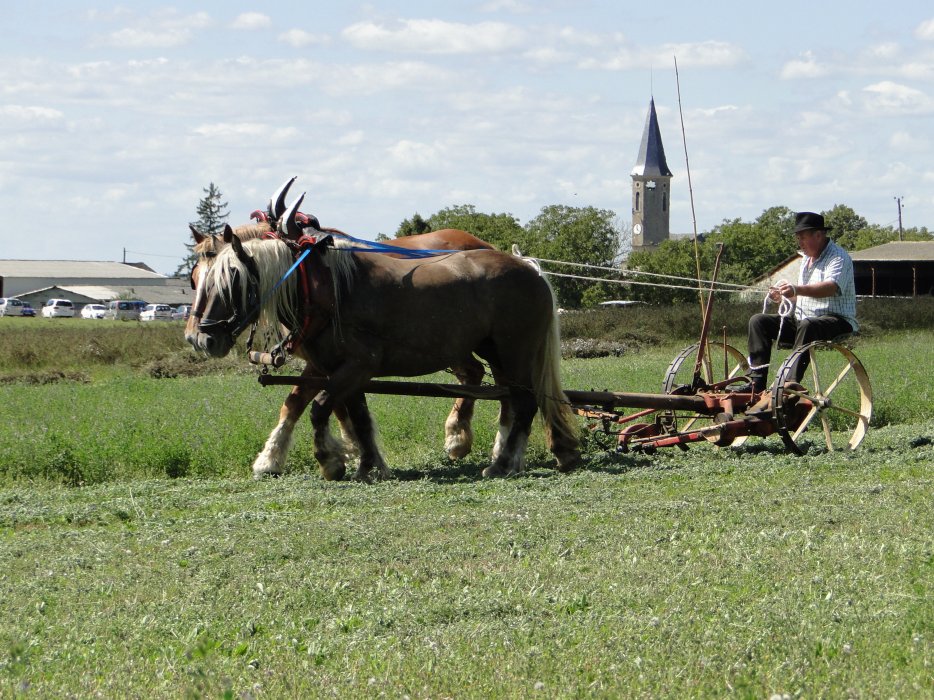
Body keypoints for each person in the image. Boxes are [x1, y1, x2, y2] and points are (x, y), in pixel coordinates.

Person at [745, 211, 858, 392]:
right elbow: (804, 296)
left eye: (803, 238)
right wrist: (785, 296)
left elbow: (830, 287)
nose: (800, 243)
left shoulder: (838, 257)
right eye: (798, 238)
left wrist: (796, 289)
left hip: (837, 320)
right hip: (804, 320)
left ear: (818, 235)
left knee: (808, 325)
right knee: (758, 321)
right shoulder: (806, 258)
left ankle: (789, 383)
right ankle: (756, 383)